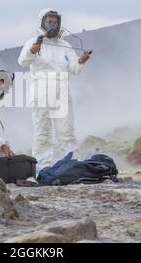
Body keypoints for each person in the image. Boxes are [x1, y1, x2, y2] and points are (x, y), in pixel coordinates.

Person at [18, 9, 90, 167]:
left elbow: (74, 69)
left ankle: (72, 165)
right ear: (42, 22)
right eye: (49, 21)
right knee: (42, 132)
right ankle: (43, 168)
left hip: (62, 92)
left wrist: (81, 60)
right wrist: (32, 51)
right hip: (41, 91)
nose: (53, 24)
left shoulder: (65, 45)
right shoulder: (34, 42)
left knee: (66, 131)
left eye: (55, 21)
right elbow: (23, 62)